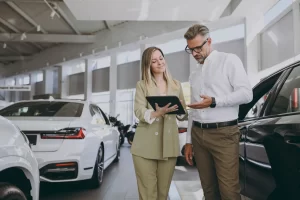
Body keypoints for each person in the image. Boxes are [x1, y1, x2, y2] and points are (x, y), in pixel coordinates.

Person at [183, 24, 253, 200]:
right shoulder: (194, 74)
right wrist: (189, 141)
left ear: (210, 41)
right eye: (191, 49)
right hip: (198, 135)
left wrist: (215, 102)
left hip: (224, 134)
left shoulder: (229, 60)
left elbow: (246, 94)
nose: (195, 53)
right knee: (208, 191)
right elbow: (194, 110)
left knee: (229, 192)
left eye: (198, 47)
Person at [131, 46, 188, 200]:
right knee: (149, 195)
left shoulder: (176, 85)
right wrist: (157, 113)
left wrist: (182, 110)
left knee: (163, 194)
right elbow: (138, 111)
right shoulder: (142, 85)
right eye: (154, 61)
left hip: (169, 145)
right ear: (148, 65)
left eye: (161, 58)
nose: (159, 63)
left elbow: (183, 117)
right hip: (144, 147)